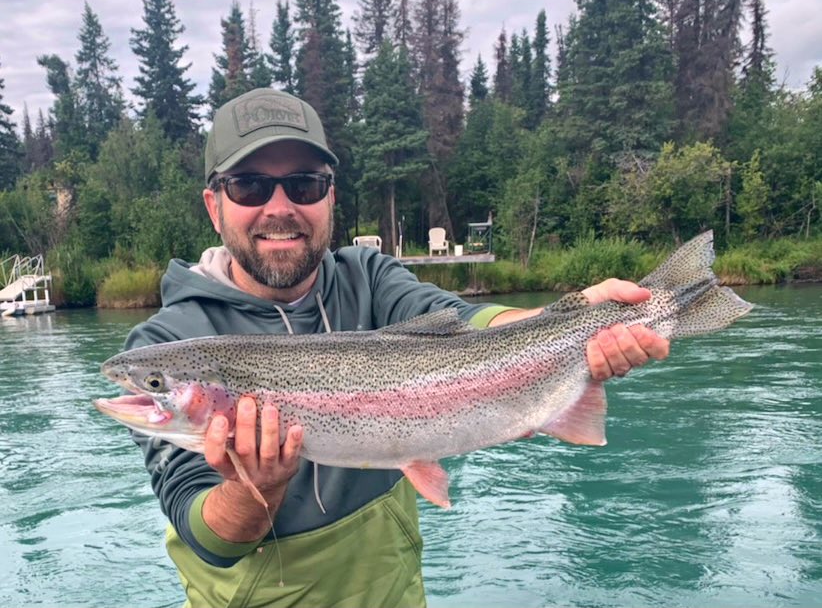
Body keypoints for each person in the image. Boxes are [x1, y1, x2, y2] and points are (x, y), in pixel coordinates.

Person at [124, 88, 669, 608]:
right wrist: (253, 489)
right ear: (213, 205)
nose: (279, 207)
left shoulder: (368, 277)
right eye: (249, 186)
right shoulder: (166, 345)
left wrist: (573, 316)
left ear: (330, 197)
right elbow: (207, 539)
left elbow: (472, 323)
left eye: (306, 184)